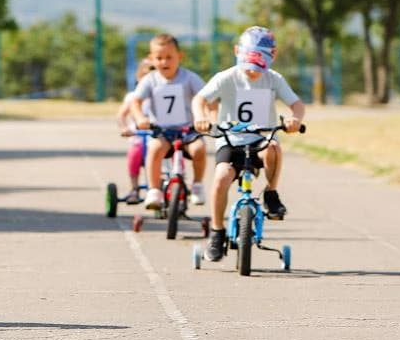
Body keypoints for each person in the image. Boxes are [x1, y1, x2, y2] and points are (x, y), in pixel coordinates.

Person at [191, 26, 306, 263]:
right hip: (230, 140)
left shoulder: (274, 79)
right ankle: (217, 231)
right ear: (237, 52)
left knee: (274, 147)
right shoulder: (226, 77)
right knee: (221, 177)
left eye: (258, 66)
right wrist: (200, 117)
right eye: (248, 65)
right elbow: (200, 99)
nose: (253, 72)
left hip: (260, 140)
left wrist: (295, 119)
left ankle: (271, 193)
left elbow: (296, 104)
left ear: (272, 57)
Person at [130, 34, 207, 209]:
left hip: (188, 131)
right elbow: (136, 102)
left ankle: (197, 185)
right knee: (154, 149)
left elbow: (206, 97)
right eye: (159, 58)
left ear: (180, 56)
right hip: (162, 131)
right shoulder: (150, 80)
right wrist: (140, 118)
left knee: (199, 149)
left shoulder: (189, 78)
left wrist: (206, 117)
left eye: (169, 57)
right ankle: (154, 190)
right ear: (151, 59)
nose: (164, 62)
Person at [114, 57, 155, 203]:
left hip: (160, 135)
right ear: (139, 77)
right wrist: (124, 127)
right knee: (134, 155)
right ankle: (134, 188)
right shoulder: (133, 97)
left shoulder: (161, 95)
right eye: (146, 76)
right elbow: (121, 115)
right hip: (139, 137)